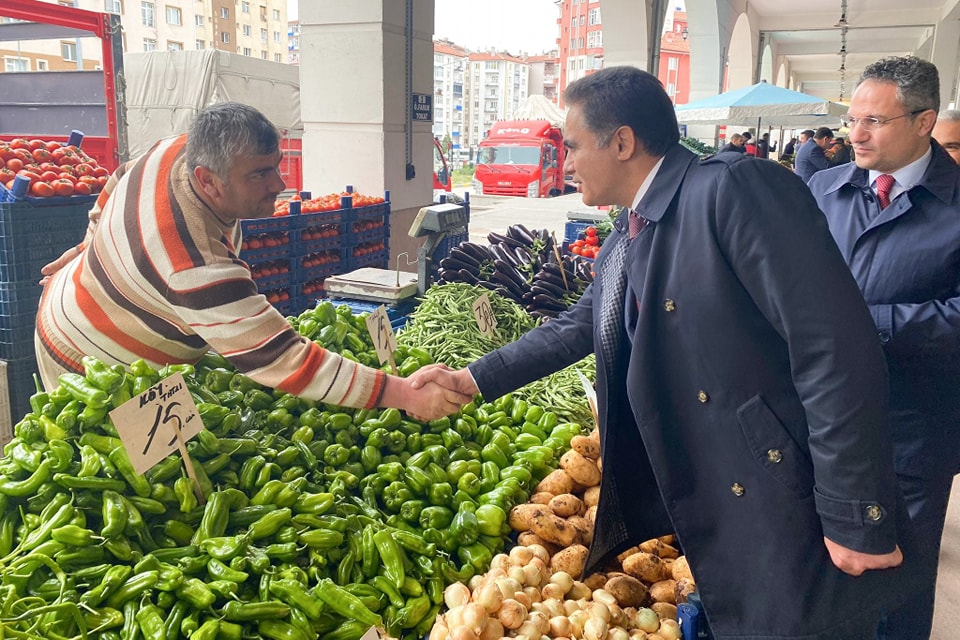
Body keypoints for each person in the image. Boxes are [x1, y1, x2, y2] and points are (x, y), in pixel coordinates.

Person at [414, 65, 915, 638]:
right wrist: (474, 379)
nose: (568, 162)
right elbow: (584, 323)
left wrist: (855, 514)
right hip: (719, 486)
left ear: (622, 142)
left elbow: (835, 348)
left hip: (782, 492)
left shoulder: (732, 191)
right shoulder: (632, 229)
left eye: (573, 146)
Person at [35, 102, 469, 420]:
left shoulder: (177, 151)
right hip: (88, 358)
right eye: (259, 174)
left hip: (98, 309)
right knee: (127, 475)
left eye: (276, 166)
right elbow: (281, 358)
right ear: (207, 179)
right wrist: (404, 395)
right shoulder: (193, 262)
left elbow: (116, 180)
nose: (278, 184)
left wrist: (87, 250)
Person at [806, 55, 960, 640]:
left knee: (901, 579)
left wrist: (869, 325)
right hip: (823, 419)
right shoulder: (824, 189)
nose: (856, 134)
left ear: (924, 123)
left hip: (914, 426)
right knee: (826, 575)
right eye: (852, 120)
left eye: (875, 121)